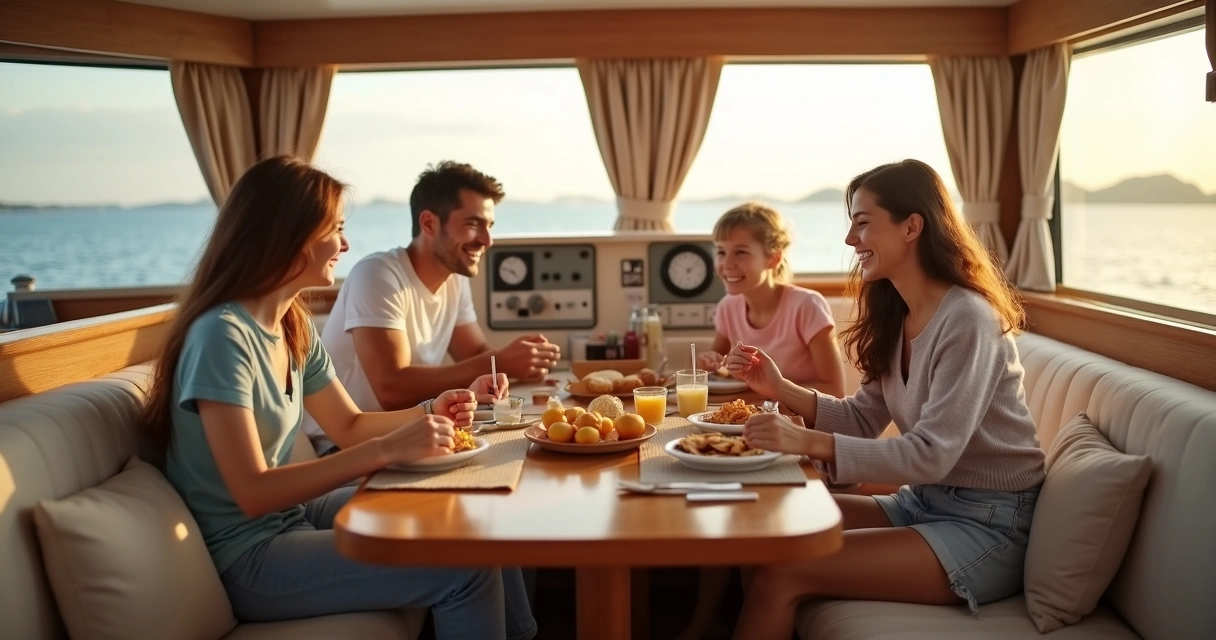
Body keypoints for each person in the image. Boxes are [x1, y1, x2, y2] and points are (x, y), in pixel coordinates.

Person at [142, 156, 537, 640]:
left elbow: (347, 426)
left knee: (477, 507)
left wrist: (434, 410)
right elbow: (253, 492)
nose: (345, 245)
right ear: (290, 235)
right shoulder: (222, 337)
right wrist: (390, 448)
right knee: (465, 570)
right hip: (247, 553)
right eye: (336, 229)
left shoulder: (292, 326)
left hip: (293, 518)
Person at [726, 160, 1045, 640]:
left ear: (912, 225)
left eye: (862, 223)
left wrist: (807, 441)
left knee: (783, 572)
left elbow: (932, 454)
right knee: (763, 533)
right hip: (923, 505)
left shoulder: (968, 320)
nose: (850, 241)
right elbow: (860, 417)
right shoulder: (898, 315)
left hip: (989, 527)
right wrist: (782, 390)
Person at [303, 161, 560, 457]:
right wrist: (501, 361)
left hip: (408, 434)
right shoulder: (376, 274)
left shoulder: (454, 279)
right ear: (429, 224)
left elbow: (475, 352)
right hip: (343, 447)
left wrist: (516, 371)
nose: (487, 240)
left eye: (489, 226)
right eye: (472, 224)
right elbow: (391, 388)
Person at [678, 203, 847, 640]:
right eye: (719, 253)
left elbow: (836, 388)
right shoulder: (730, 308)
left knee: (736, 501)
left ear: (772, 257)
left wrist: (776, 385)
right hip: (750, 432)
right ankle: (706, 617)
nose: (725, 265)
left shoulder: (806, 307)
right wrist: (718, 363)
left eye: (740, 253)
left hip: (802, 437)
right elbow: (721, 370)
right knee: (716, 496)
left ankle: (743, 617)